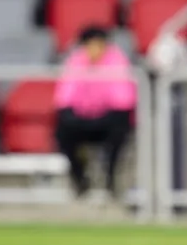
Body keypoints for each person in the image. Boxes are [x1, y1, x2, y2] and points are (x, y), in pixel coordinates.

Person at [54, 26, 136, 198]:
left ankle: (111, 178)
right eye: (91, 44)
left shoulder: (117, 60)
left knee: (120, 127)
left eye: (99, 44)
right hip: (82, 119)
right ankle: (80, 178)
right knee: (63, 130)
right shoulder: (75, 61)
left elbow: (123, 99)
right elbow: (65, 97)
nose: (95, 49)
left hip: (108, 119)